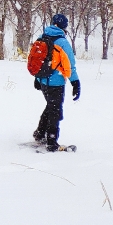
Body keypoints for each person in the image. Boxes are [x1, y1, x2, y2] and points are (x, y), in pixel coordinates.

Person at [32, 13, 82, 151]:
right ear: (64, 27)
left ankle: (40, 133)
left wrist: (37, 78)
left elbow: (38, 60)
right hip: (56, 82)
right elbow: (69, 65)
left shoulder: (41, 37)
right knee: (55, 110)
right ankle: (52, 140)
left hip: (43, 81)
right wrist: (75, 82)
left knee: (51, 105)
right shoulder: (62, 42)